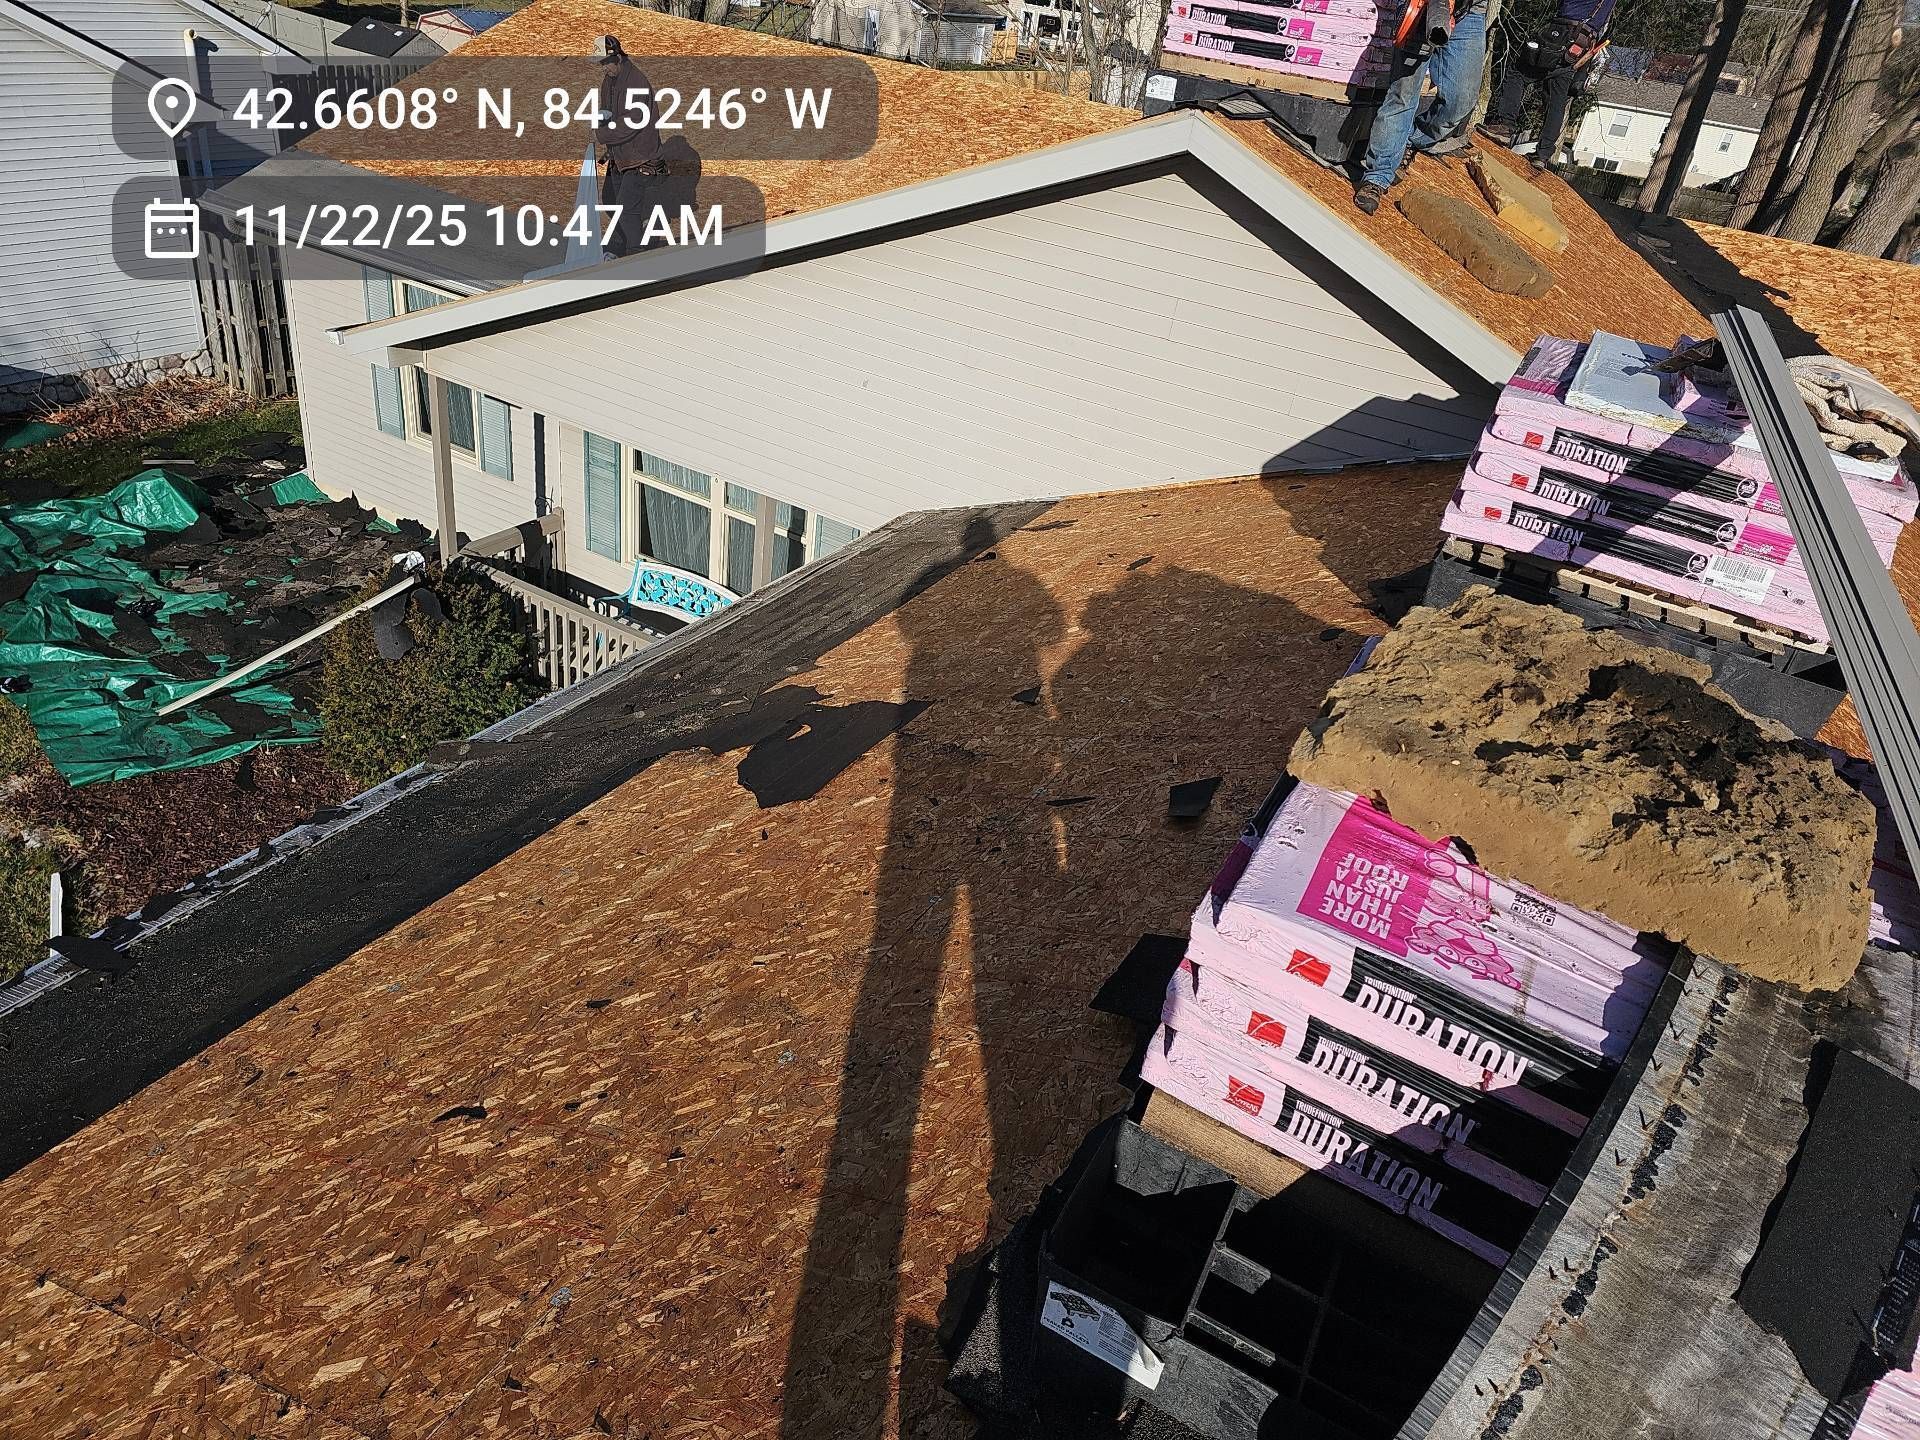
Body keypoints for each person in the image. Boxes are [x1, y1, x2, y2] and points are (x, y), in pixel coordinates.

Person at [1353, 0, 1491, 215]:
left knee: (1461, 100)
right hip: (1423, 5)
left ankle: (1413, 139)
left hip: (1470, 11)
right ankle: (1377, 177)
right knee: (1403, 95)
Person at [1478, 0, 1618, 170]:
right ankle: (1543, 154)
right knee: (1557, 99)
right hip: (1583, 43)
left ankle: (1505, 125)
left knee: (1518, 73)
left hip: (1563, 32)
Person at [592, 34, 665, 257]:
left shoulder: (637, 83)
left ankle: (636, 255)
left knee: (626, 209)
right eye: (601, 64)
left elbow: (631, 123)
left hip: (641, 157)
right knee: (611, 201)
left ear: (619, 58)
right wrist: (601, 118)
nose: (604, 68)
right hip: (620, 155)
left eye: (606, 63)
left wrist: (601, 134)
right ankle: (624, 244)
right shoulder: (609, 81)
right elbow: (610, 112)